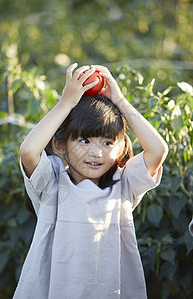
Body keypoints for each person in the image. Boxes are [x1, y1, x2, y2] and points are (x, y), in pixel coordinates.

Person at [13, 63, 168, 299]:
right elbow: (28, 151)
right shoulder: (53, 183)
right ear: (60, 145)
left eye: (107, 143)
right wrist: (66, 103)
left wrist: (120, 101)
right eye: (84, 141)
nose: (96, 153)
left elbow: (158, 150)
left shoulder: (123, 184)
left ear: (120, 148)